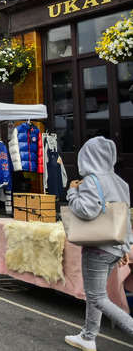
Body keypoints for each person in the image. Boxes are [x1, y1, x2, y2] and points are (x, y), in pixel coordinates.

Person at [64, 136, 133, 350]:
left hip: (97, 248)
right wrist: (124, 247)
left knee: (97, 297)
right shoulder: (120, 181)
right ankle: (88, 336)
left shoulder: (92, 181)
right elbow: (124, 217)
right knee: (97, 294)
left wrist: (72, 191)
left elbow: (85, 211)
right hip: (114, 245)